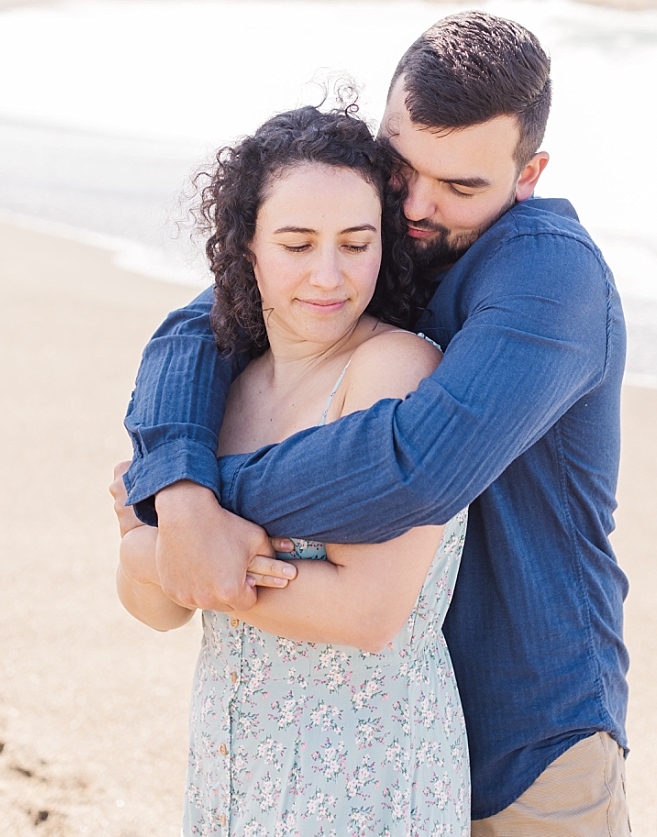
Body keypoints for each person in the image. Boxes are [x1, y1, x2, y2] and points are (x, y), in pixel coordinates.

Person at [121, 11, 630, 836]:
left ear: (527, 172)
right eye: (402, 168)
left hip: (529, 737)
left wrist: (190, 501)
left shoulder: (549, 277)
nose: (419, 205)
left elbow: (412, 468)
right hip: (367, 730)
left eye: (462, 185)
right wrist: (179, 497)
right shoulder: (377, 253)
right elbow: (196, 328)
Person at [115, 104, 469, 833]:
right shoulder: (226, 388)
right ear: (247, 248)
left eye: (355, 242)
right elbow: (159, 609)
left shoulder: (396, 369)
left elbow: (368, 613)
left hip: (366, 771)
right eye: (297, 243)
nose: (328, 275)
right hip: (234, 757)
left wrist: (151, 543)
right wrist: (162, 554)